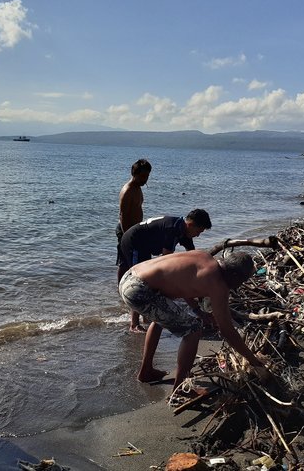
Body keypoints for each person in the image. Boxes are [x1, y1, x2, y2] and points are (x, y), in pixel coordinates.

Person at [119, 250, 270, 394]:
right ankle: (180, 390)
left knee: (160, 318)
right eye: (242, 281)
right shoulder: (218, 284)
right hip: (138, 289)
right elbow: (227, 331)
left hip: (130, 276)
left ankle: (146, 372)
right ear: (235, 275)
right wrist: (254, 362)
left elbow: (182, 283)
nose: (241, 285)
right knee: (194, 329)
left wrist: (198, 311)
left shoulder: (204, 257)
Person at [118, 209, 212, 332]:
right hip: (134, 241)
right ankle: (134, 324)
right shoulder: (172, 230)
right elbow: (165, 262)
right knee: (140, 281)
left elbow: (194, 256)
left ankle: (146, 316)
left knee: (151, 279)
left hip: (145, 246)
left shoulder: (185, 231)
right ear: (190, 225)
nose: (198, 235)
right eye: (198, 231)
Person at [116, 159, 152, 331]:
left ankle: (123, 294)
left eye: (148, 176)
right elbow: (123, 215)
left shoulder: (138, 189)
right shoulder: (128, 190)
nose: (146, 179)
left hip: (135, 231)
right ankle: (124, 294)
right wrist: (126, 236)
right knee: (129, 265)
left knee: (125, 263)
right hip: (126, 232)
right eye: (143, 176)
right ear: (135, 174)